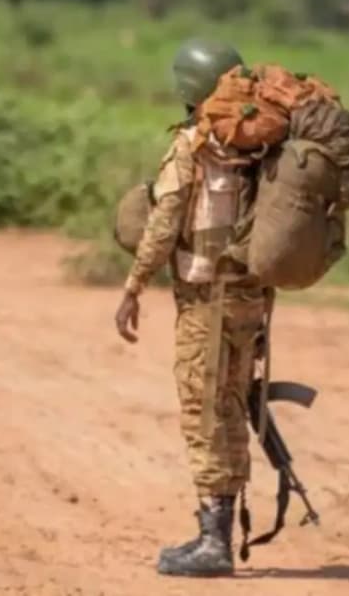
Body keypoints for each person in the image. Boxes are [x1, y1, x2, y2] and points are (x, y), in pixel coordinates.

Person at [114, 37, 270, 578]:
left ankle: (213, 543)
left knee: (204, 414)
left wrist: (134, 284)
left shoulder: (195, 145)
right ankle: (218, 532)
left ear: (187, 88)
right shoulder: (260, 145)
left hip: (206, 299)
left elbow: (164, 222)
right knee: (229, 406)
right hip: (251, 298)